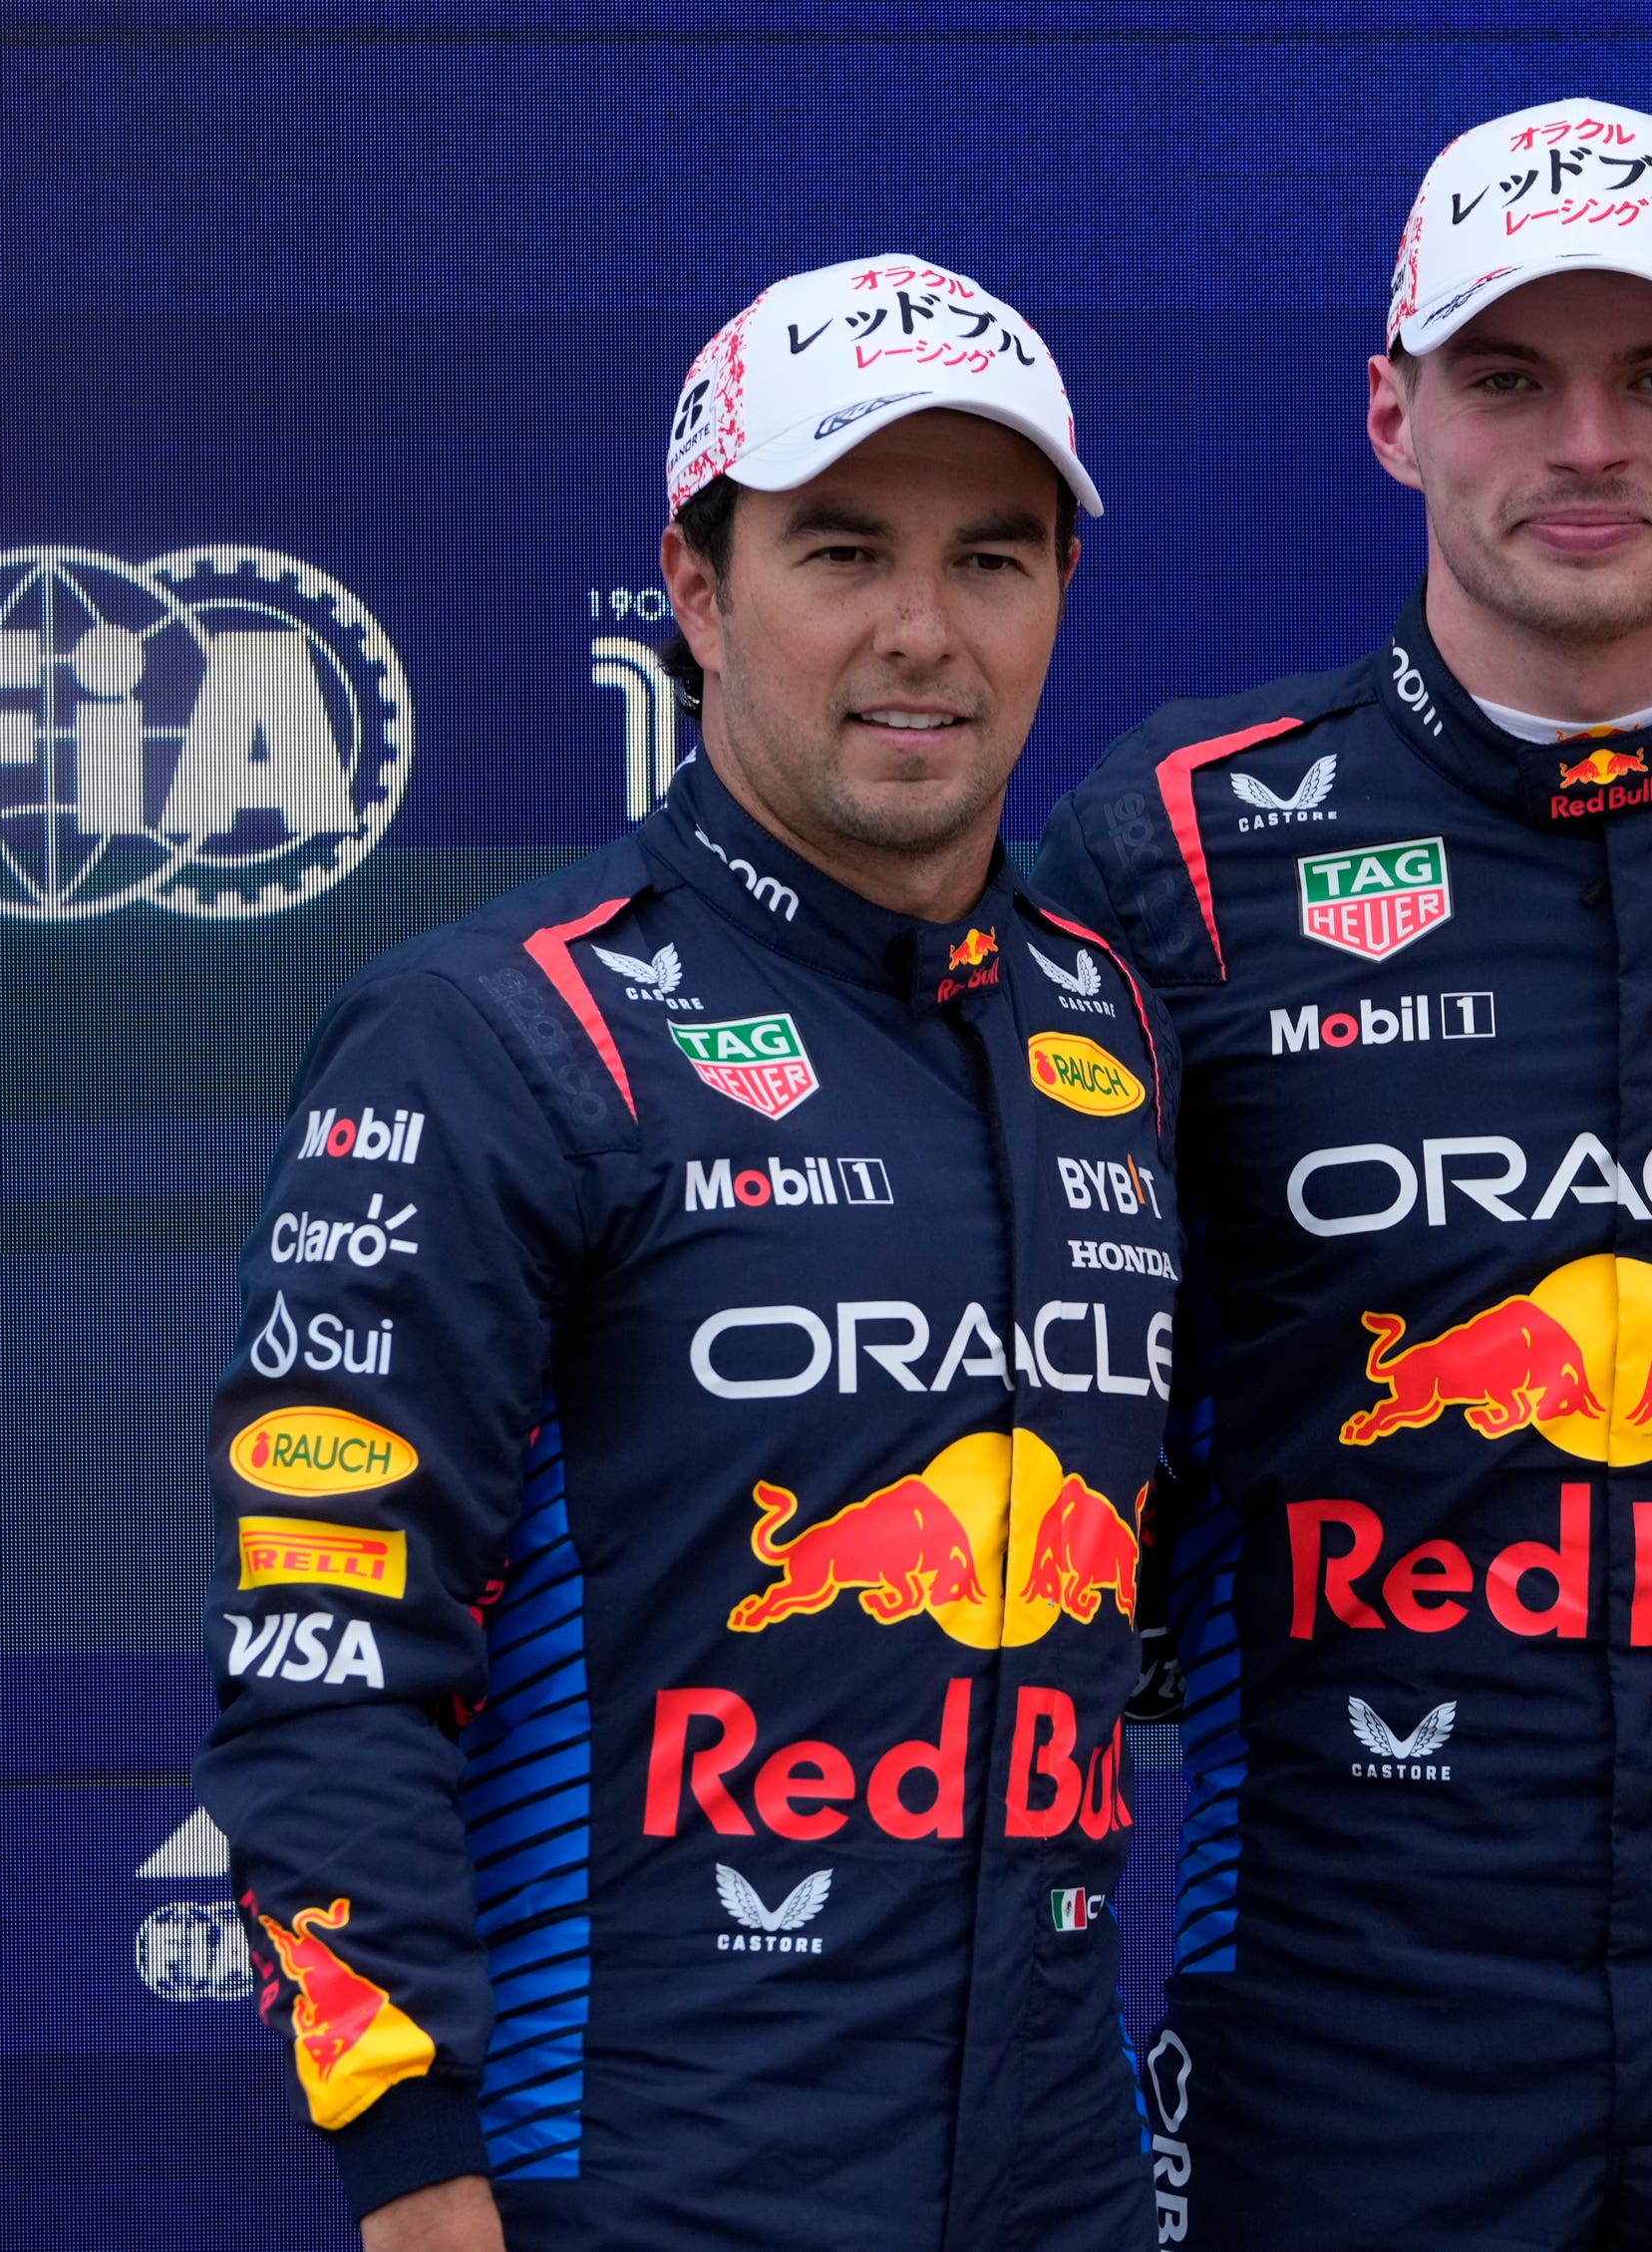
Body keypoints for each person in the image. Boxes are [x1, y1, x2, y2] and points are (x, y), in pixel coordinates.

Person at [1034, 97, 1652, 2252]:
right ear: (1392, 414)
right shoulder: (1179, 843)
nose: (1585, 441)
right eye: (1508, 377)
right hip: (1345, 1974)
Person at [197, 254, 1177, 2252]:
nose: (922, 632)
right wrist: (412, 2177)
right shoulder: (491, 1033)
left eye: (992, 558)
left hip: (1057, 2173)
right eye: (840, 550)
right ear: (701, 589)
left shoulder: (1113, 1022)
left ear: (1060, 592)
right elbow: (326, 1664)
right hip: (641, 2178)